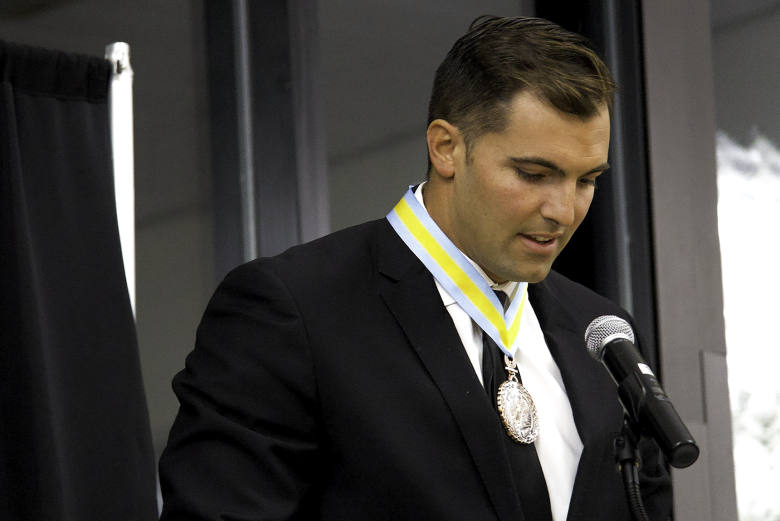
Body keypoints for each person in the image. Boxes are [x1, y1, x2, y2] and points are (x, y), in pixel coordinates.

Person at [158, 16, 672, 521]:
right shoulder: (293, 311)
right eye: (534, 174)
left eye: (587, 180)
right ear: (446, 147)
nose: (564, 210)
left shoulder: (602, 333)